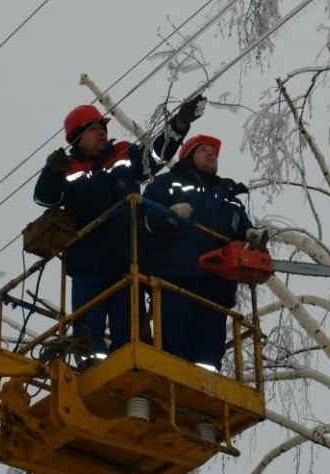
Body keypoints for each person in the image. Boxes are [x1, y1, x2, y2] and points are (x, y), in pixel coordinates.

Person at [34, 96, 206, 360]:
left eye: (103, 127)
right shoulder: (67, 169)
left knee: (130, 333)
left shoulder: (123, 155)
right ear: (77, 137)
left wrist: (179, 125)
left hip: (127, 261)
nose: (102, 132)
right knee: (88, 335)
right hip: (87, 264)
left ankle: (131, 371)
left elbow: (155, 155)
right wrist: (51, 171)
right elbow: (45, 197)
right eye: (94, 128)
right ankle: (89, 369)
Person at [141, 134, 263, 372]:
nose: (211, 155)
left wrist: (250, 235)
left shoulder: (228, 196)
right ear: (188, 156)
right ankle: (174, 381)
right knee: (175, 343)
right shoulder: (167, 183)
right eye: (203, 150)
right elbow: (144, 214)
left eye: (214, 153)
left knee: (209, 353)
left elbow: (240, 225)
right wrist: (168, 216)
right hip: (177, 276)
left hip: (216, 285)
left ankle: (206, 389)